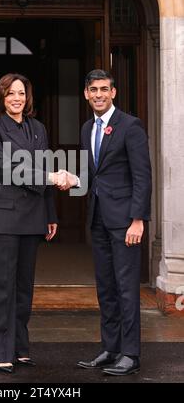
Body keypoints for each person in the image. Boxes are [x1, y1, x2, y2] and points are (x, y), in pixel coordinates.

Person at [55, 69, 152, 376]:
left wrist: (138, 219)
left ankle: (130, 354)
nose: (98, 94)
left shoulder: (130, 126)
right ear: (86, 94)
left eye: (103, 89)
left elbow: (142, 176)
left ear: (113, 93)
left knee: (126, 288)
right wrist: (73, 180)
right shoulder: (87, 129)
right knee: (106, 289)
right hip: (97, 219)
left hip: (125, 222)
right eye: (93, 90)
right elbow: (92, 176)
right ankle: (110, 349)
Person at [0, 73, 58, 373]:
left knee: (24, 288)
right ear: (1, 97)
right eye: (10, 93)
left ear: (28, 97)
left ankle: (21, 348)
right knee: (4, 288)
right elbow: (5, 167)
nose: (16, 98)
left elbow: (45, 165)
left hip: (33, 216)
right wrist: (50, 178)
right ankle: (2, 351)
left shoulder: (38, 128)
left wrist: (50, 214)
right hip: (1, 218)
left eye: (21, 93)